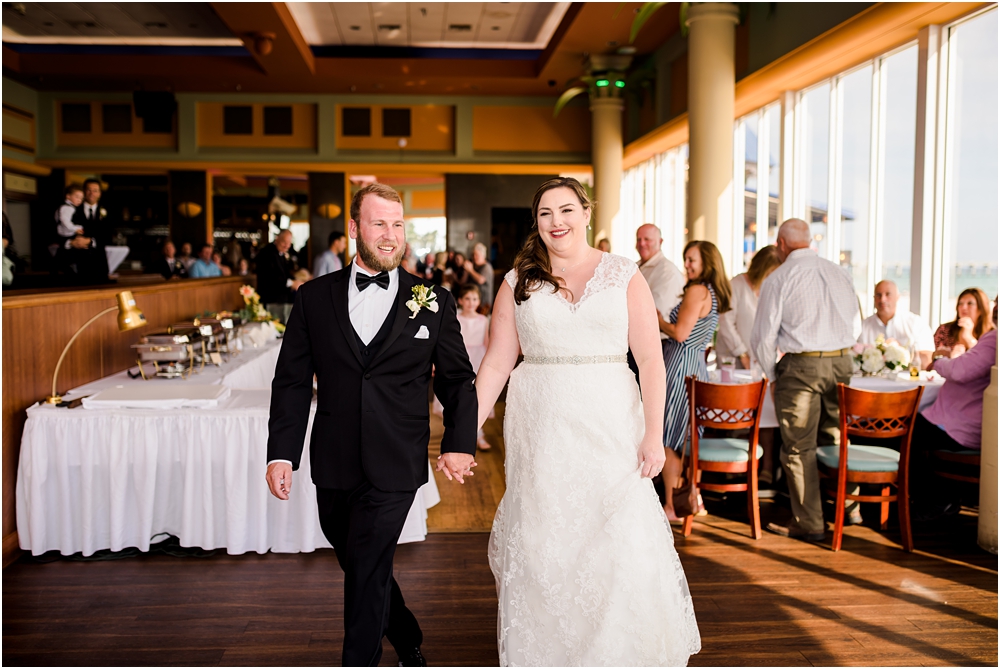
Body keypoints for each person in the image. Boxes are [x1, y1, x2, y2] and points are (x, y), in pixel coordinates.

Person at [474, 177, 701, 665]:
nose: (557, 222)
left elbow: (652, 362)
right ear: (536, 223)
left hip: (611, 424)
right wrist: (463, 430)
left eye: (566, 210)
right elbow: (496, 362)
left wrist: (653, 436)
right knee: (544, 541)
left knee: (617, 541)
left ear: (586, 214)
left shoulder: (623, 275)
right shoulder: (517, 281)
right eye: (545, 214)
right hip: (541, 425)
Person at [266, 182, 478, 667]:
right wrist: (282, 452)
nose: (390, 236)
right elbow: (293, 381)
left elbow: (458, 379)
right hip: (334, 460)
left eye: (398, 225)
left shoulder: (433, 300)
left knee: (365, 566)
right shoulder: (313, 298)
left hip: (397, 458)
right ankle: (406, 635)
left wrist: (459, 442)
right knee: (363, 562)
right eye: (379, 223)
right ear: (355, 228)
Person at [751, 218, 859, 543]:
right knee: (837, 436)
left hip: (802, 368)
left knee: (799, 447)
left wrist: (772, 375)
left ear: (781, 245)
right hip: (842, 362)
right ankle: (849, 507)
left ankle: (810, 522)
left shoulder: (779, 278)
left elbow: (762, 338)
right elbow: (856, 326)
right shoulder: (839, 272)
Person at [659, 240, 732, 520]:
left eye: (692, 260)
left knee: (668, 438)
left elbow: (679, 333)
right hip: (696, 367)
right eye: (685, 259)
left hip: (679, 366)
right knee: (685, 438)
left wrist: (657, 320)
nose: (686, 265)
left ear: (706, 264)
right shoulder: (711, 292)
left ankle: (672, 506)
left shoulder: (697, 290)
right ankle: (690, 499)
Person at [909, 328, 997, 520]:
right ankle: (937, 498)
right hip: (969, 423)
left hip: (960, 425)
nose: (996, 305)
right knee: (915, 430)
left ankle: (936, 501)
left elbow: (960, 370)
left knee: (907, 434)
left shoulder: (995, 338)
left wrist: (939, 362)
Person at [716, 245, 781, 369]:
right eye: (769, 273)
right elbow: (726, 323)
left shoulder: (770, 289)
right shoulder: (736, 285)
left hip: (757, 361)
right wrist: (742, 354)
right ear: (761, 269)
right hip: (732, 358)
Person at [858, 280, 935, 368]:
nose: (882, 299)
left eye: (888, 294)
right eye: (878, 295)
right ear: (874, 298)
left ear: (898, 297)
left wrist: (900, 351)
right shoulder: (862, 326)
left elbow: (927, 360)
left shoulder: (916, 323)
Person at [636, 223, 686, 336]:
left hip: (658, 342)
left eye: (647, 239)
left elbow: (653, 313)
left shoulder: (667, 272)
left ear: (660, 241)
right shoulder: (634, 266)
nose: (642, 243)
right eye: (639, 239)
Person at [255, 230, 303, 323]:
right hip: (271, 300)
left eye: (289, 243)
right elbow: (271, 278)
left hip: (280, 299)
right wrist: (292, 283)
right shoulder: (267, 253)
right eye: (284, 242)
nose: (287, 246)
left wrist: (296, 281)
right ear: (277, 239)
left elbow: (285, 274)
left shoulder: (280, 253)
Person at [933, 288, 995, 359]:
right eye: (960, 303)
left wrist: (968, 338)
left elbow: (985, 359)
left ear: (981, 309)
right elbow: (932, 360)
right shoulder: (944, 330)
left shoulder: (991, 334)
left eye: (970, 303)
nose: (964, 307)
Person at [463, 242, 495, 312]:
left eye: (477, 255)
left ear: (483, 255)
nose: (474, 257)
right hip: (472, 302)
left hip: (483, 304)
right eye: (473, 255)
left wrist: (470, 270)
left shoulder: (487, 267)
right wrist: (466, 270)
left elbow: (481, 280)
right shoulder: (473, 266)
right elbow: (463, 282)